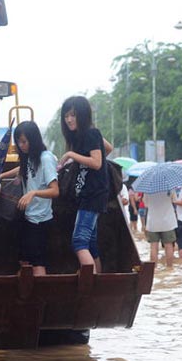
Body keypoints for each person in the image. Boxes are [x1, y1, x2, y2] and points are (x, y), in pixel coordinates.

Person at [58, 95, 111, 273]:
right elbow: (107, 148)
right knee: (91, 243)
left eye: (73, 115)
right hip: (87, 194)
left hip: (93, 194)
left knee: (79, 242)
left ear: (82, 115)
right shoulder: (82, 136)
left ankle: (92, 282)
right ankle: (99, 278)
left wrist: (71, 155)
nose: (69, 119)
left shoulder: (90, 133)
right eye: (66, 116)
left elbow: (96, 162)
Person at [1, 120, 58, 276]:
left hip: (40, 220)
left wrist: (33, 193)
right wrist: (1, 176)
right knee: (24, 262)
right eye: (18, 142)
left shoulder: (46, 158)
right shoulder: (29, 157)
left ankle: (41, 297)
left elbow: (55, 191)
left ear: (34, 139)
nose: (21, 146)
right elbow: (22, 169)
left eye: (24, 141)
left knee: (38, 263)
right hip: (27, 217)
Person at [143, 190, 177, 267]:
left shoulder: (148, 189)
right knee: (168, 246)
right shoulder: (170, 187)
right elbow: (175, 200)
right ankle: (169, 268)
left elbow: (145, 204)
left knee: (153, 247)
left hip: (153, 222)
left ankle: (154, 270)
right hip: (168, 222)